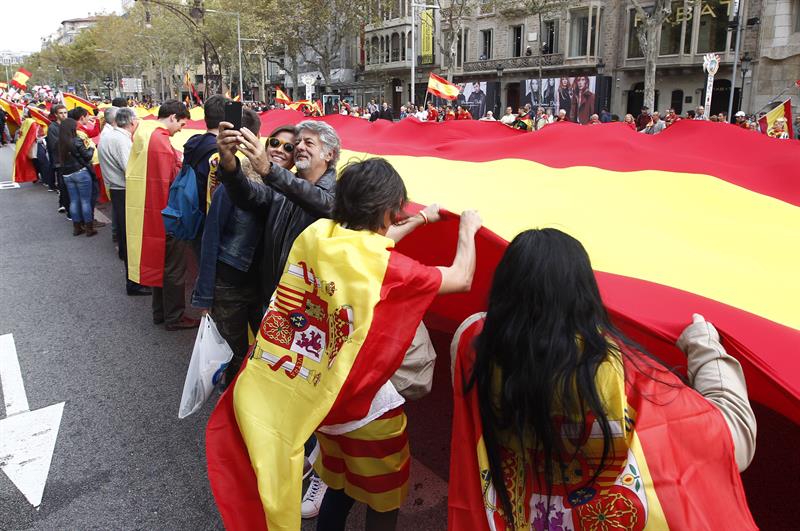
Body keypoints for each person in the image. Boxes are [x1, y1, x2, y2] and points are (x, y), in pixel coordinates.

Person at [448, 229, 757, 530]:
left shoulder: (472, 347)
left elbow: (483, 323)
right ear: (586, 294)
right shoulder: (627, 376)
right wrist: (705, 347)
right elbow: (732, 442)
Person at [192, 110, 274, 383]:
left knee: (266, 353)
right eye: (275, 143)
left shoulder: (289, 191)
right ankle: (229, 413)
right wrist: (205, 296)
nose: (280, 150)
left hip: (265, 288)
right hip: (230, 286)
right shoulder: (232, 186)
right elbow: (211, 238)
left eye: (289, 146)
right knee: (234, 354)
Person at [125, 100, 193, 330]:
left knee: (160, 265)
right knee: (174, 269)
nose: (180, 130)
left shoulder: (146, 133)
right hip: (168, 216)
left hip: (153, 212)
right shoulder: (161, 141)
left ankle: (160, 312)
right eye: (181, 124)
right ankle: (175, 317)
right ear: (173, 117)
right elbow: (172, 181)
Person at [98, 107, 149, 296]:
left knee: (126, 235)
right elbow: (131, 168)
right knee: (131, 237)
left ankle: (134, 279)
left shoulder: (109, 136)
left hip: (117, 189)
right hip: (125, 191)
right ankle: (134, 282)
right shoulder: (120, 140)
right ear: (132, 122)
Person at [182, 94, 227, 217]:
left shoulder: (193, 142)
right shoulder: (220, 151)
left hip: (190, 209)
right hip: (206, 214)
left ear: (205, 117)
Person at [58, 118, 97, 236]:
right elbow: (87, 156)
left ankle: (77, 227)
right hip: (80, 172)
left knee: (74, 200)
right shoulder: (76, 140)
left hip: (66, 173)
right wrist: (90, 147)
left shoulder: (59, 142)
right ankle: (89, 228)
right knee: (85, 201)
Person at [47, 104, 70, 214]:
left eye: (65, 112)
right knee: (62, 184)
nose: (64, 115)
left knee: (66, 184)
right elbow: (54, 145)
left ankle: (64, 203)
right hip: (60, 161)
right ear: (56, 114)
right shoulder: (52, 127)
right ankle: (63, 204)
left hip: (69, 160)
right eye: (61, 113)